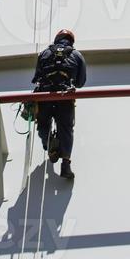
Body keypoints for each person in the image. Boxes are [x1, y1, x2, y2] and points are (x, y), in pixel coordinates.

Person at [32, 28, 86, 179]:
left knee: (43, 124)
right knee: (66, 128)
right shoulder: (76, 54)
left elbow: (36, 77)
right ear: (71, 40)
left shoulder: (44, 53)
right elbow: (81, 82)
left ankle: (49, 144)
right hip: (65, 96)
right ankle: (66, 165)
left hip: (45, 95)